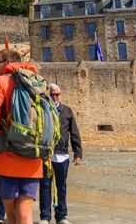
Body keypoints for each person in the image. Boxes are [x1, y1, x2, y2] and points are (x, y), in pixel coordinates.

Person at [0, 49, 41, 224]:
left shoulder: (0, 81)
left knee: (11, 213)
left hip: (7, 157)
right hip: (33, 155)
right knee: (26, 211)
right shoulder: (36, 82)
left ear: (7, 62)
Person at [38, 84, 82, 224]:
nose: (55, 97)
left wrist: (78, 154)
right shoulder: (43, 110)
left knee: (61, 186)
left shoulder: (67, 111)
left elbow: (74, 133)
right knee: (45, 186)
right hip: (46, 154)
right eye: (52, 95)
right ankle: (45, 216)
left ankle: (61, 216)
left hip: (62, 155)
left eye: (57, 94)